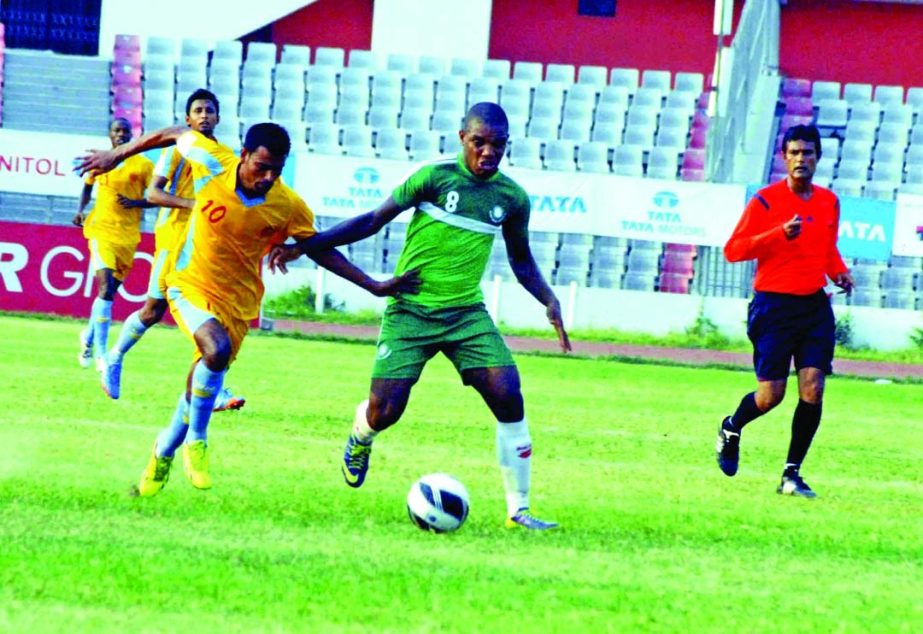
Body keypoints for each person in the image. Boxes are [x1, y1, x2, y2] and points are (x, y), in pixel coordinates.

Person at [75, 122, 420, 497]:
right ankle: (198, 441)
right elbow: (175, 133)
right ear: (243, 156)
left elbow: (319, 247)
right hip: (188, 282)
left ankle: (163, 451)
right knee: (215, 349)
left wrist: (373, 285)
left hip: (238, 304)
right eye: (261, 167)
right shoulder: (212, 162)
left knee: (198, 386)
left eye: (277, 169)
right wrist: (115, 156)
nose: (268, 177)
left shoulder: (286, 205)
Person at [270, 102, 571, 530]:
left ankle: (519, 509)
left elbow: (521, 261)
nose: (488, 153)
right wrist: (305, 246)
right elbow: (373, 221)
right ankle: (360, 436)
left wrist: (548, 298)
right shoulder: (433, 177)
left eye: (498, 145)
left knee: (509, 394)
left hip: (466, 314)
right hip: (410, 310)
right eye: (479, 143)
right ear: (462, 138)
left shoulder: (512, 198)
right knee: (385, 411)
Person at [715, 124, 854, 498]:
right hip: (773, 306)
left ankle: (791, 475)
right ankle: (731, 427)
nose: (800, 159)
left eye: (807, 153)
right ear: (783, 158)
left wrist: (838, 272)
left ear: (818, 157)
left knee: (813, 389)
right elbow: (733, 250)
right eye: (793, 153)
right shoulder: (764, 201)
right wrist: (777, 234)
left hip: (813, 306)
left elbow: (827, 249)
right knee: (770, 396)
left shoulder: (828, 202)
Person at [101, 88, 244, 412]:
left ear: (218, 117)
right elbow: (152, 193)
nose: (205, 116)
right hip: (175, 241)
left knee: (213, 314)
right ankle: (115, 356)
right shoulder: (179, 149)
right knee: (153, 312)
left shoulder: (222, 155)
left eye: (210, 110)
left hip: (205, 246)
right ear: (187, 119)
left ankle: (214, 385)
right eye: (198, 111)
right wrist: (195, 206)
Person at [73, 118, 155, 371]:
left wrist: (136, 204)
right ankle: (101, 355)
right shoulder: (100, 162)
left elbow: (155, 195)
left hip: (128, 237)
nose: (121, 135)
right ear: (109, 134)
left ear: (132, 135)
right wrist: (80, 210)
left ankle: (88, 337)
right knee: (105, 288)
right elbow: (87, 188)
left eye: (125, 132)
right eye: (116, 131)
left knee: (110, 294)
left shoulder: (143, 164)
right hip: (101, 231)